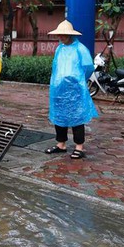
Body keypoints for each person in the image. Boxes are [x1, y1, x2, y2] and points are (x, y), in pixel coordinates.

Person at [45, 20, 98, 159]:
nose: (61, 37)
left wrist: (78, 80)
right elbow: (56, 67)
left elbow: (88, 67)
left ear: (70, 34)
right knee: (59, 117)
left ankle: (79, 147)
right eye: (59, 35)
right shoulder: (59, 49)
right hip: (59, 89)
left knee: (77, 118)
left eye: (63, 35)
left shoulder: (80, 49)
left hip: (75, 90)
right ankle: (61, 144)